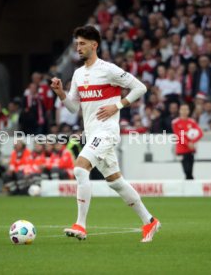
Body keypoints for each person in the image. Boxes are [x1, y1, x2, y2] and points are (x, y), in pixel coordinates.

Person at [50, 25, 160, 243]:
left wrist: (117, 106)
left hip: (107, 131)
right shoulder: (78, 74)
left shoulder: (108, 69)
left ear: (94, 45)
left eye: (82, 44)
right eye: (76, 44)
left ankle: (80, 225)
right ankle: (150, 221)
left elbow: (140, 88)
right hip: (92, 132)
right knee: (115, 182)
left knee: (80, 168)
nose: (78, 48)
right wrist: (61, 93)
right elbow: (73, 108)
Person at [172, 104, 203, 180]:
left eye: (186, 109)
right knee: (186, 170)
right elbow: (178, 135)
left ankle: (190, 185)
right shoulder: (175, 122)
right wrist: (188, 143)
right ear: (179, 111)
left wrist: (193, 142)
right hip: (181, 149)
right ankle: (190, 184)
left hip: (191, 149)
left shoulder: (192, 122)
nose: (184, 111)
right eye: (182, 109)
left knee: (190, 170)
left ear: (189, 111)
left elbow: (200, 133)